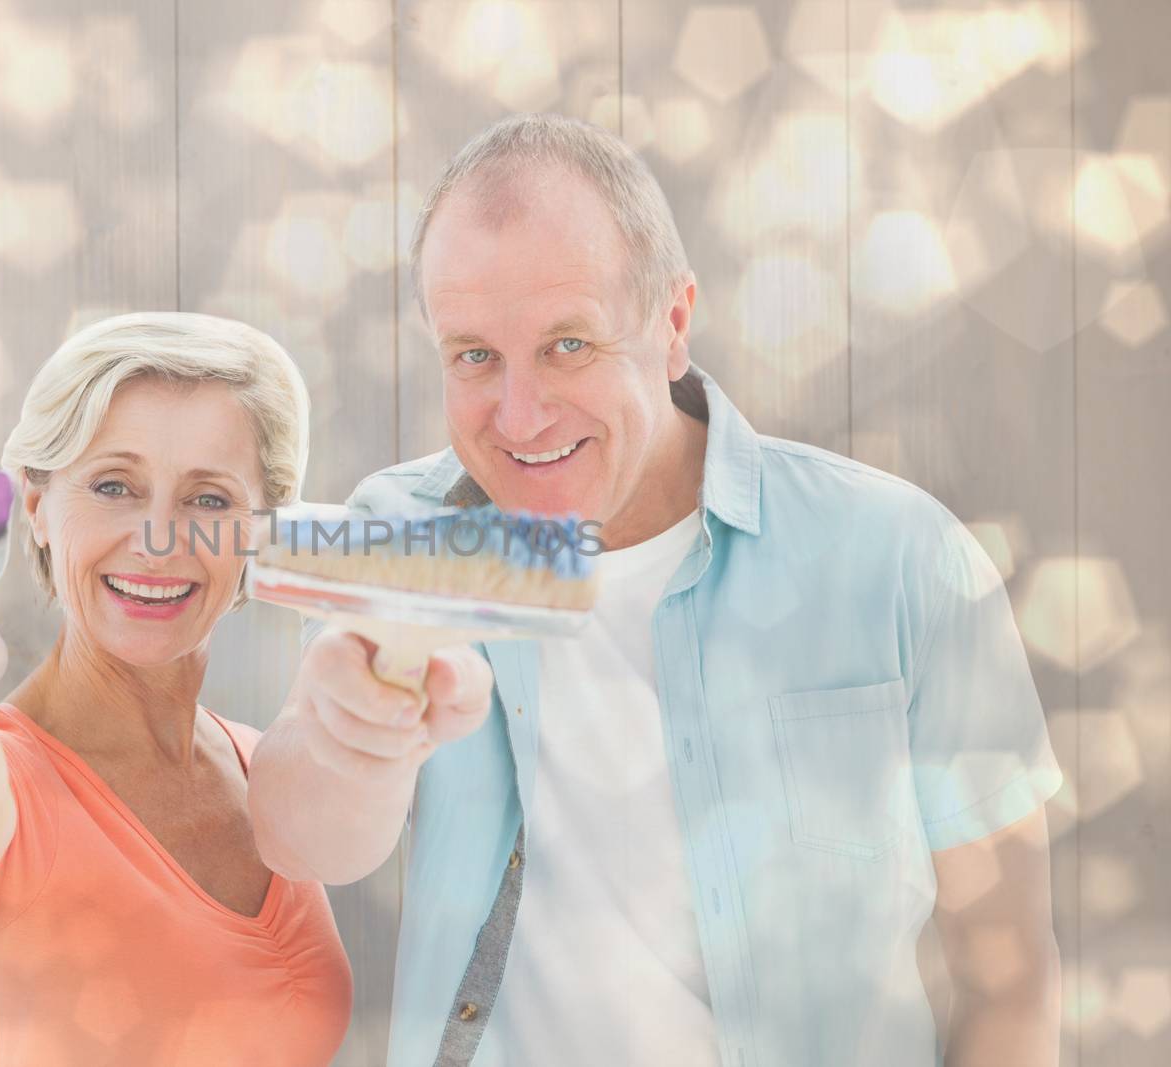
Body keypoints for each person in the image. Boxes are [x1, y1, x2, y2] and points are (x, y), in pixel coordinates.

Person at [247, 114, 1063, 1067]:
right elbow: (307, 841)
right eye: (474, 354)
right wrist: (360, 733)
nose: (519, 414)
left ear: (672, 324)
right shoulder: (408, 533)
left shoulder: (899, 560)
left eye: (568, 345)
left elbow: (1009, 977)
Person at [0, 312, 351, 1066]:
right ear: (36, 505)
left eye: (207, 499)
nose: (159, 538)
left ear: (262, 530)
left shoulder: (265, 771)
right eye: (114, 485)